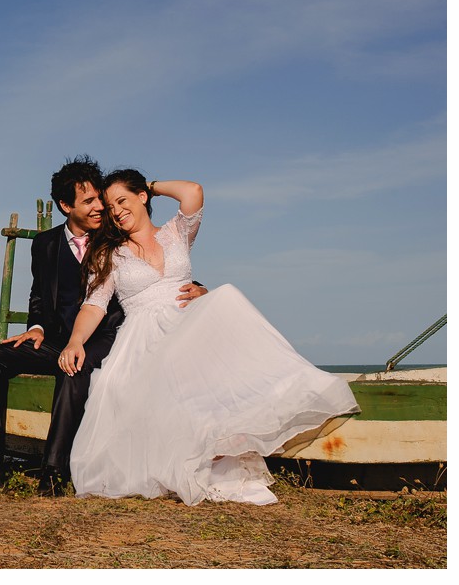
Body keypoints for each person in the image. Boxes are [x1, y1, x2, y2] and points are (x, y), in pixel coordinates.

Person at [60, 169, 360, 506]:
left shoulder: (176, 232)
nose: (116, 211)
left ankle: (224, 452)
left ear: (142, 197)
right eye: (111, 206)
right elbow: (94, 305)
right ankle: (188, 464)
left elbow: (193, 191)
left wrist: (152, 186)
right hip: (144, 336)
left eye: (122, 200)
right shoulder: (110, 253)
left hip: (188, 326)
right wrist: (75, 342)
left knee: (227, 296)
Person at [0, 156, 206, 496]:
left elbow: (161, 273)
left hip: (109, 337)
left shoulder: (114, 235)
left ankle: (54, 473)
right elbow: (39, 293)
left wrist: (200, 287)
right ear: (66, 206)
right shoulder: (45, 244)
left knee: (74, 369)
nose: (100, 209)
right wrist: (36, 326)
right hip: (59, 338)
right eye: (90, 201)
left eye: (103, 201)